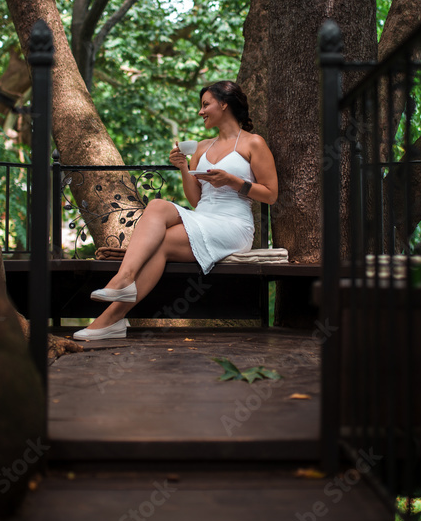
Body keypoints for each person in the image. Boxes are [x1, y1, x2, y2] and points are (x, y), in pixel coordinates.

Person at [73, 80, 278, 341]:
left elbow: (271, 194)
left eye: (206, 104)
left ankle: (110, 316)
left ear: (224, 104)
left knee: (162, 242)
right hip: (204, 216)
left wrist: (233, 181)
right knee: (158, 206)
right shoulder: (202, 147)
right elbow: (195, 200)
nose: (201, 111)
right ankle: (121, 287)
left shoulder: (253, 143)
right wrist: (183, 166)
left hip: (233, 224)